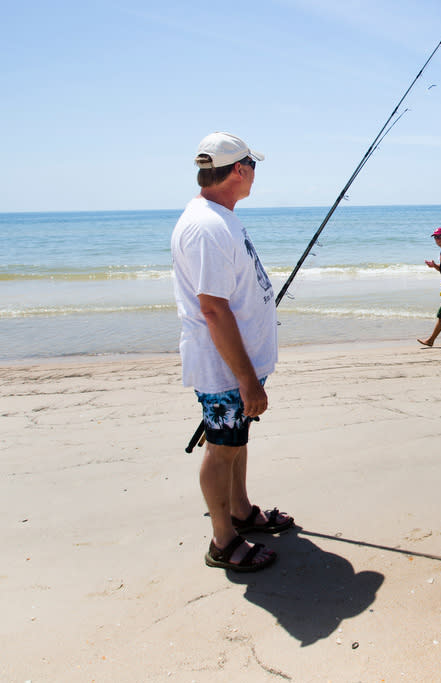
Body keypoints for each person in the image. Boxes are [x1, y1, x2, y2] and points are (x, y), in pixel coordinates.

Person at [171, 132, 293, 573]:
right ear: (239, 170)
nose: (255, 173)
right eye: (253, 166)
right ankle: (223, 539)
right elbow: (212, 308)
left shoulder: (220, 216)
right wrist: (243, 378)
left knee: (236, 439)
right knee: (221, 447)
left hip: (239, 364)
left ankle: (240, 511)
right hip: (224, 369)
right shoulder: (206, 226)